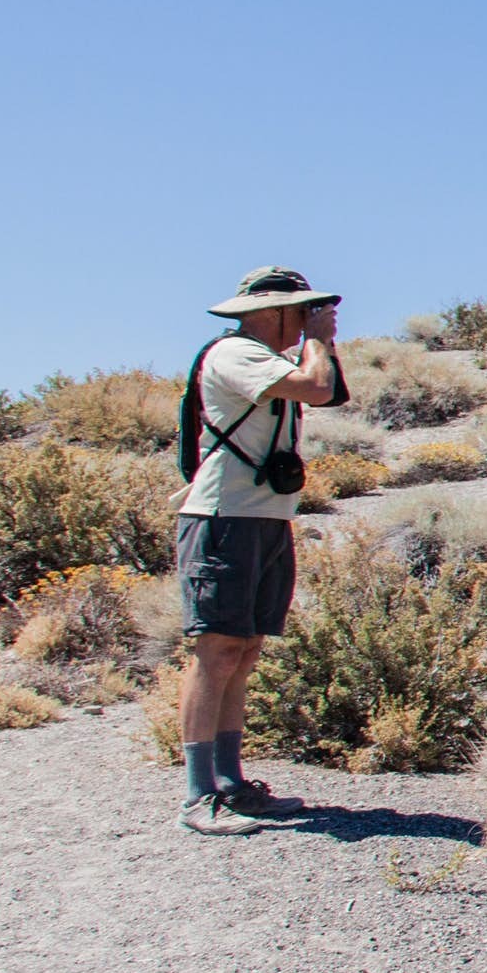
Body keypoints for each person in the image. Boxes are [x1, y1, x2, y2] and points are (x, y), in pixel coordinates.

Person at [174, 265, 349, 833]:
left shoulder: (269, 359)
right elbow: (316, 387)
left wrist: (317, 342)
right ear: (272, 311)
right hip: (225, 518)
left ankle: (231, 783)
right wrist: (318, 342)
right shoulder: (235, 353)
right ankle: (200, 796)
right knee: (217, 651)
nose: (308, 320)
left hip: (263, 518)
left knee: (244, 650)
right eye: (302, 310)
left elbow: (327, 392)